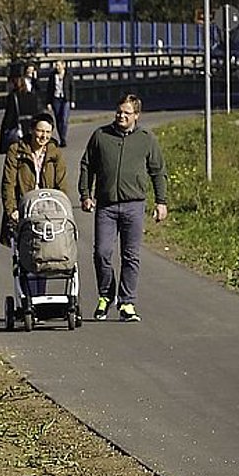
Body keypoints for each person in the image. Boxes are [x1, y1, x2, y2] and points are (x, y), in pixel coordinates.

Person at [79, 93, 168, 322]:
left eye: (127, 113)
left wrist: (161, 202)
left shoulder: (146, 139)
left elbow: (158, 171)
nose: (121, 116)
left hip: (133, 205)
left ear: (136, 115)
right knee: (102, 253)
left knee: (130, 256)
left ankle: (127, 302)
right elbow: (87, 165)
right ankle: (106, 296)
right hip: (106, 206)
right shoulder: (101, 136)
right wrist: (86, 194)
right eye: (119, 112)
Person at [0, 113, 68, 246]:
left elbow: (61, 185)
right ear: (31, 130)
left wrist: (61, 209)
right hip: (23, 208)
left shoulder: (55, 153)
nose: (44, 136)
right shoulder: (15, 151)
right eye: (40, 131)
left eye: (48, 132)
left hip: (48, 209)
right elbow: (9, 183)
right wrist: (11, 210)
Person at [0, 69, 43, 156]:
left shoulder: (13, 97)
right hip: (31, 130)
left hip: (18, 131)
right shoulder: (32, 96)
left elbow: (9, 117)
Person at [42, 59, 75, 147]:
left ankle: (63, 138)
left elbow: (72, 88)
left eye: (58, 65)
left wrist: (72, 100)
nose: (57, 67)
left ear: (63, 65)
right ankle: (61, 137)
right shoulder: (52, 75)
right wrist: (48, 102)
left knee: (64, 119)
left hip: (65, 99)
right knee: (58, 119)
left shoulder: (68, 74)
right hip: (56, 99)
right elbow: (49, 89)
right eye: (56, 65)